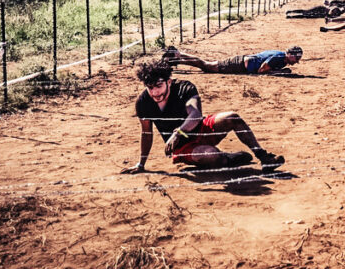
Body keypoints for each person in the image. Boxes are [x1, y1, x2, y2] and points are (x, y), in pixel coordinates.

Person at [121, 59, 284, 174]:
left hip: (202, 129)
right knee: (212, 156)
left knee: (232, 117)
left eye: (159, 86)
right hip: (183, 148)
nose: (155, 92)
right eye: (150, 87)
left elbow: (196, 115)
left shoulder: (184, 87)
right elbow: (146, 133)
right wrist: (141, 164)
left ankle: (264, 157)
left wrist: (178, 133)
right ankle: (228, 157)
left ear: (169, 82)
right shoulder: (143, 102)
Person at [163, 45, 302, 74]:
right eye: (296, 58)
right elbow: (262, 70)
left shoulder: (280, 57)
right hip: (239, 65)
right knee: (206, 66)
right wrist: (279, 73)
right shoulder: (279, 58)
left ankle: (178, 58)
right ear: (290, 54)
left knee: (206, 66)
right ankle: (177, 56)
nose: (296, 61)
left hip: (242, 63)